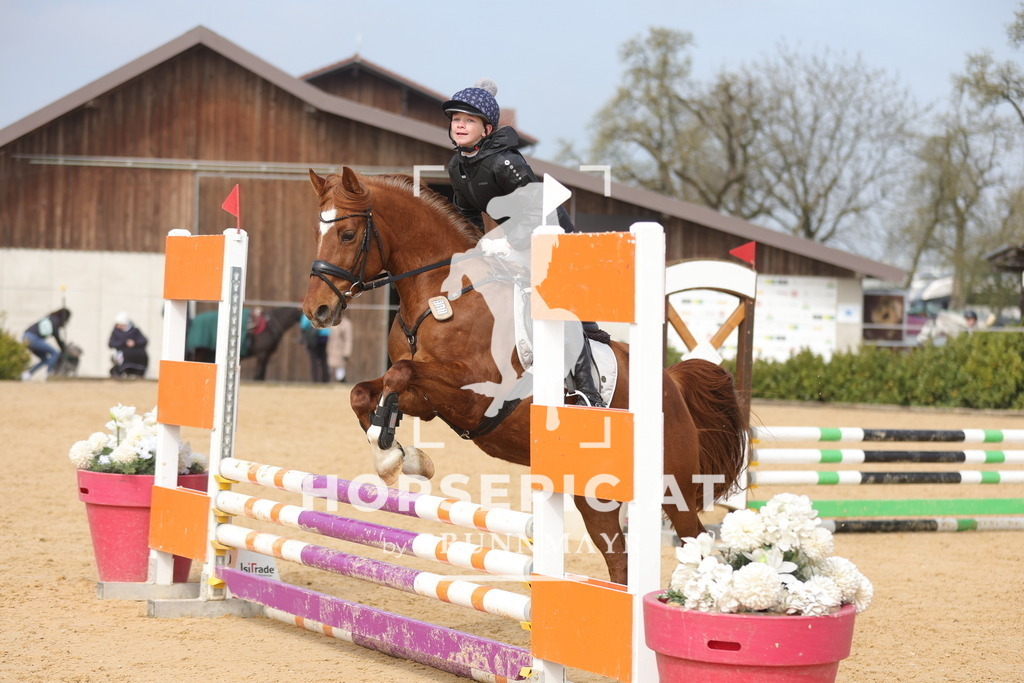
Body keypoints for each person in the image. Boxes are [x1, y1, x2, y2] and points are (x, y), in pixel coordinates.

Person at [442, 79, 605, 407]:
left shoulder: (506, 162)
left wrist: (508, 244)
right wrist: (476, 247)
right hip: (515, 239)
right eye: (455, 119)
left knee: (554, 306)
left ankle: (588, 389)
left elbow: (536, 212)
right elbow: (468, 215)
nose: (459, 124)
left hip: (552, 235)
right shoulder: (457, 166)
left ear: (487, 129)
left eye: (468, 120)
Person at [22, 308, 71, 381]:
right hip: (33, 338)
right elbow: (57, 338)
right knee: (55, 353)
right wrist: (64, 349)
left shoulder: (50, 318)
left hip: (26, 337)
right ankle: (49, 374)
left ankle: (27, 374)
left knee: (45, 359)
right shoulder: (55, 321)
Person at [108, 311, 149, 378]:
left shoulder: (135, 331)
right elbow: (111, 343)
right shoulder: (116, 332)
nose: (118, 326)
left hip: (135, 354)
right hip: (121, 353)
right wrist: (124, 342)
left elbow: (144, 341)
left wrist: (134, 342)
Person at [299, 314, 331, 383]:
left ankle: (315, 380)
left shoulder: (310, 310)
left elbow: (303, 325)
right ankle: (325, 380)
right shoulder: (327, 310)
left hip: (313, 338)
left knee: (314, 360)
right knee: (324, 360)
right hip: (324, 337)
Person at [326, 311, 354, 382]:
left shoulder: (346, 324)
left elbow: (348, 340)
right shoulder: (330, 322)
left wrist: (347, 353)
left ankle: (341, 383)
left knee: (340, 370)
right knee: (328, 370)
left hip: (340, 350)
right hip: (330, 349)